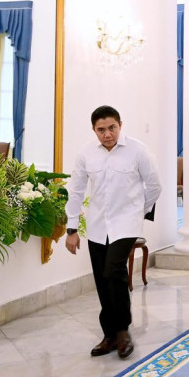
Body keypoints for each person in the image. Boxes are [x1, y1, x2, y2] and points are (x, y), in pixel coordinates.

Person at [65, 105, 162, 359]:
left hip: (126, 224)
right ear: (94, 130)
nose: (107, 134)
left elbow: (154, 185)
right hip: (97, 225)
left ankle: (122, 331)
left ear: (120, 124)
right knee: (101, 278)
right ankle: (109, 335)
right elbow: (75, 190)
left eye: (111, 128)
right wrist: (71, 228)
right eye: (101, 130)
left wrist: (138, 211)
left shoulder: (137, 150)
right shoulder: (87, 153)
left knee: (113, 271)